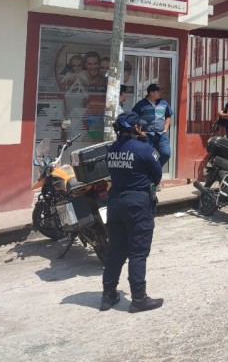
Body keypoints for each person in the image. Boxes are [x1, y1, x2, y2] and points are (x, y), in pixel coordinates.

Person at [100, 111, 163, 313]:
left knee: (116, 251)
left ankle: (108, 295)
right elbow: (157, 173)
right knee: (138, 252)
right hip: (137, 203)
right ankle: (138, 299)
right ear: (136, 128)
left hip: (115, 202)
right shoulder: (143, 149)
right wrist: (146, 143)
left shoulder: (112, 149)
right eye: (140, 126)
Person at [132, 84, 173, 169]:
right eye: (157, 91)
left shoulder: (163, 103)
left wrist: (165, 129)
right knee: (146, 157)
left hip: (161, 135)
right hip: (146, 136)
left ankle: (155, 169)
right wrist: (139, 132)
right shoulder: (141, 104)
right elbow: (133, 118)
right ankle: (147, 176)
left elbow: (168, 116)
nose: (160, 93)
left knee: (166, 153)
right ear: (151, 93)